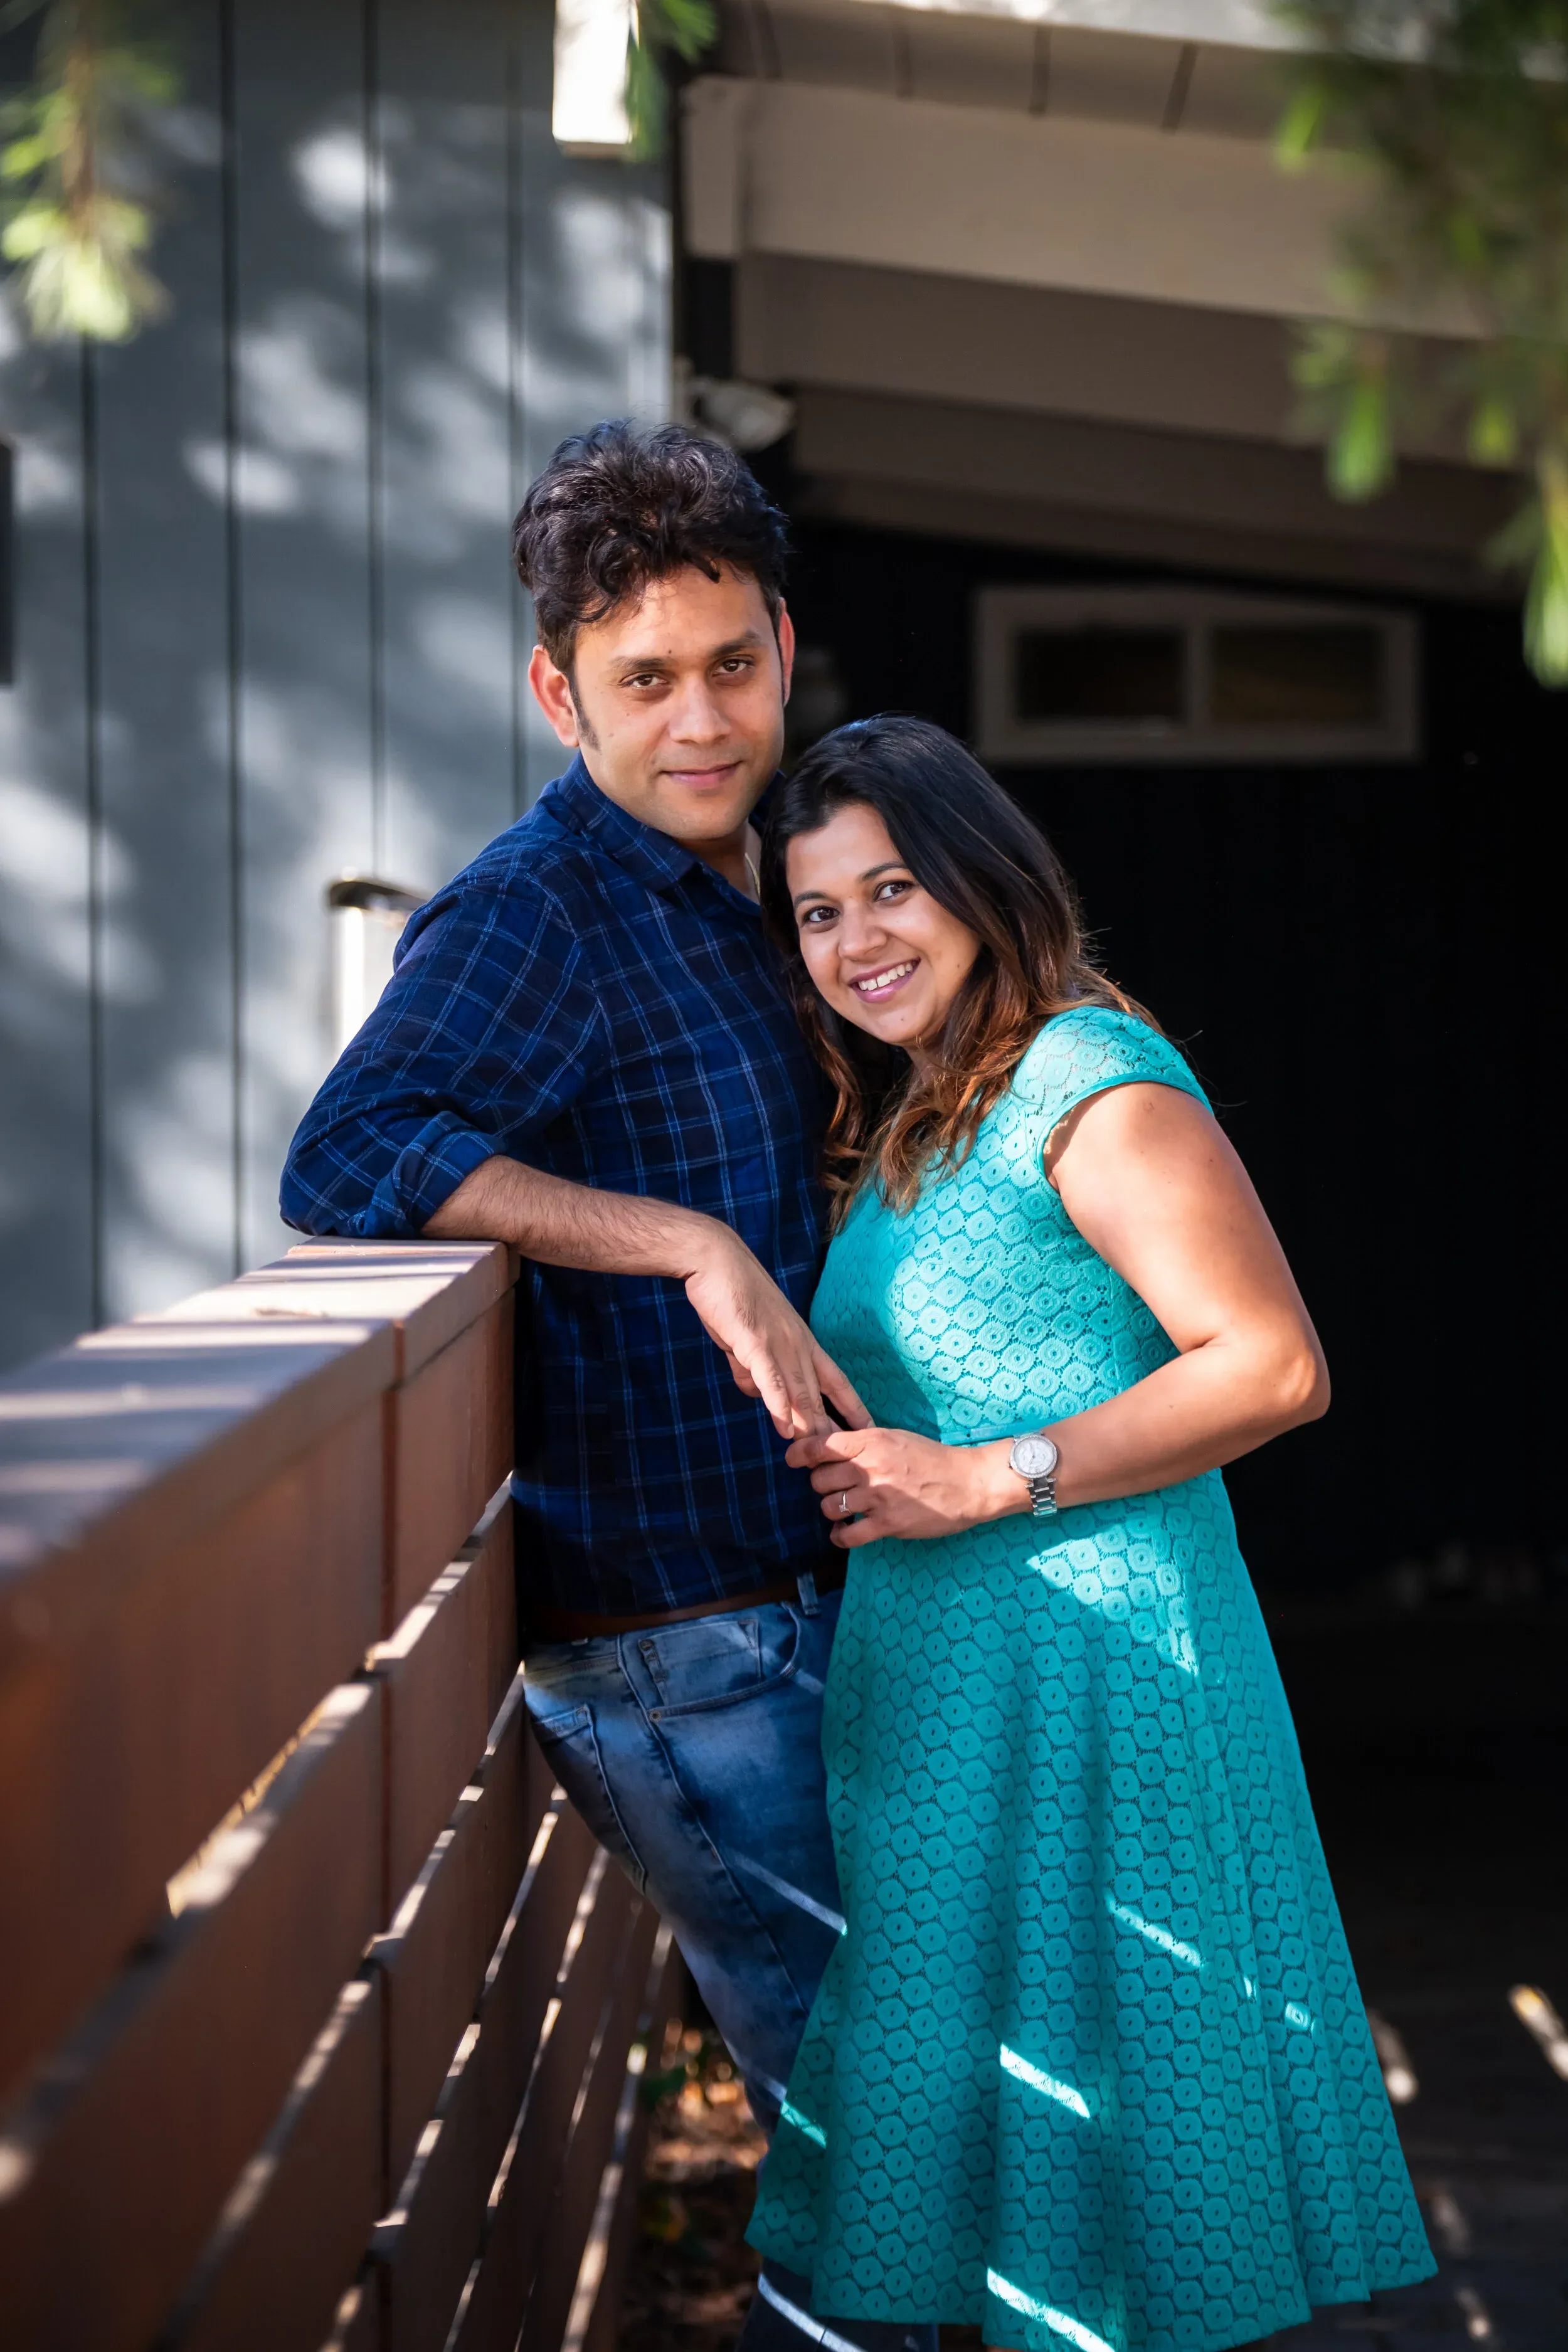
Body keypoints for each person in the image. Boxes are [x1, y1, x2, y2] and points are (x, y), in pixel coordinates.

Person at [280, 422, 934, 2352]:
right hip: (671, 1638)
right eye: (643, 682)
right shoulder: (537, 907)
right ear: (558, 689)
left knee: (897, 2115)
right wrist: (681, 1240)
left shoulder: (759, 884)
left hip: (796, 1595)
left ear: (785, 645)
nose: (701, 720)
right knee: (892, 2125)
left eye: (730, 665)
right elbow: (352, 1152)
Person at [743, 716, 1435, 2352]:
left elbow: (1272, 1364)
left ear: (979, 877)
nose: (855, 939)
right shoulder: (917, 1111)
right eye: (817, 911)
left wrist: (988, 1476)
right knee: (1016, 2175)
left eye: (889, 886)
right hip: (950, 1703)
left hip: (1098, 1696)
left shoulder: (1082, 1076)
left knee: (1119, 2171)